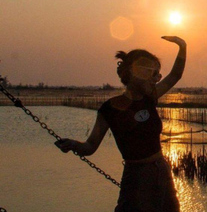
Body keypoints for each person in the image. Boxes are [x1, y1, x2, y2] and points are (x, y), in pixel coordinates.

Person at [55, 36, 186, 212]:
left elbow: (175, 75)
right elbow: (90, 146)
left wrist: (182, 46)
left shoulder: (150, 98)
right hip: (136, 176)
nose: (156, 79)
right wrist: (73, 144)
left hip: (161, 171)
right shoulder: (109, 109)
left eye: (158, 74)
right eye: (152, 73)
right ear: (135, 74)